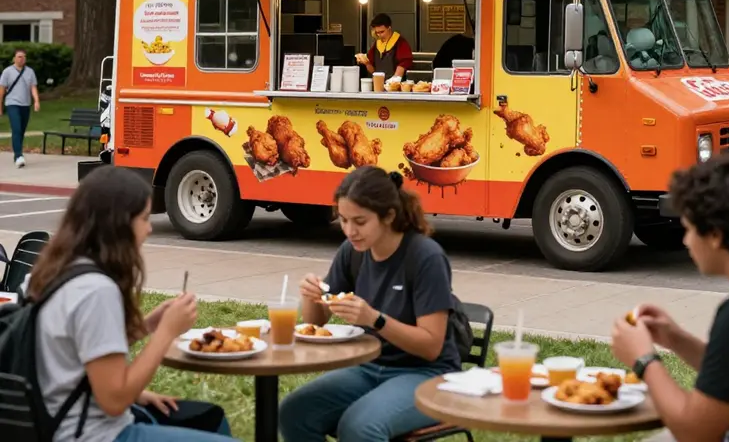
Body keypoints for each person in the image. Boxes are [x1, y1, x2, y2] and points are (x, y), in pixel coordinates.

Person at [26, 166, 236, 441]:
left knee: (211, 420)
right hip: (93, 435)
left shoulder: (51, 272)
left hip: (54, 421)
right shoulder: (96, 290)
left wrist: (146, 326)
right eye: (145, 218)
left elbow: (76, 353)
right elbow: (114, 400)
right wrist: (165, 333)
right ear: (119, 224)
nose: (149, 228)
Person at [610, 155, 729, 442]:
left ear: (714, 235)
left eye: (688, 229)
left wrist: (643, 360)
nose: (686, 241)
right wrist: (677, 339)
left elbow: (696, 433)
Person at [279, 166, 461, 442]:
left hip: (429, 374)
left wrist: (375, 319)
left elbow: (431, 346)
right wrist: (311, 295)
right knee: (294, 411)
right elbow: (315, 322)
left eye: (360, 222)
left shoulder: (425, 257)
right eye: (343, 220)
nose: (350, 231)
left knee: (359, 426)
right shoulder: (353, 252)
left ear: (388, 216)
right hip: (368, 367)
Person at [0, 48, 40, 168]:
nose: (22, 59)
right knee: (16, 128)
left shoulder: (30, 72)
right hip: (12, 104)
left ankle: (17, 153)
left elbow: (33, 87)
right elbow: (2, 90)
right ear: (14, 58)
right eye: (19, 56)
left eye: (23, 57)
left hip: (25, 104)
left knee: (21, 131)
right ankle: (19, 156)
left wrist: (36, 101)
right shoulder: (7, 72)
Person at [356, 14, 413, 81]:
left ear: (389, 28)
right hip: (378, 84)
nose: (379, 35)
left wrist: (395, 79)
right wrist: (366, 62)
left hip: (395, 85)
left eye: (382, 32)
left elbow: (404, 62)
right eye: (377, 32)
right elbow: (372, 68)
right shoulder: (377, 44)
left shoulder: (400, 42)